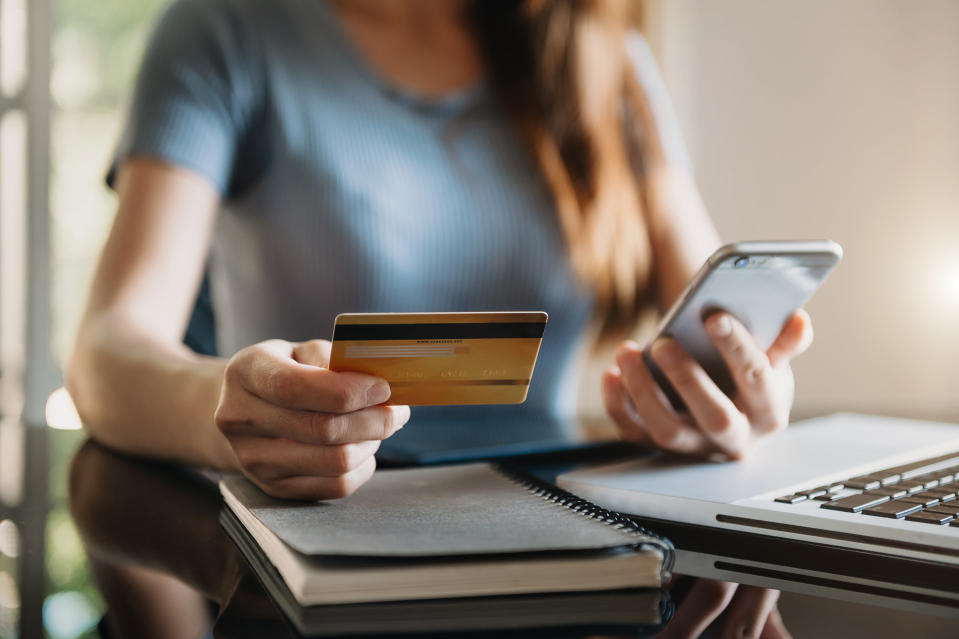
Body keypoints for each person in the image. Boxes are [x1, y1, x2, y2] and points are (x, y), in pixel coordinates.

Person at [68, 0, 810, 501]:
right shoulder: (226, 29)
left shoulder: (607, 58)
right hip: (312, 540)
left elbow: (716, 316)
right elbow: (105, 353)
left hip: (553, 530)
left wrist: (743, 393)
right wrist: (232, 415)